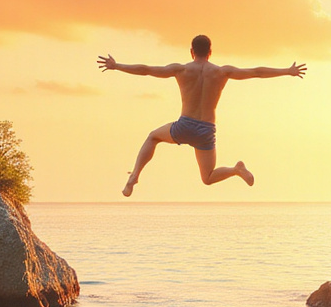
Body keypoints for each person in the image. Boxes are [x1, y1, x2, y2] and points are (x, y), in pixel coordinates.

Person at [98, 35, 305, 197]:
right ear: (210, 52)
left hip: (184, 126)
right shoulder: (222, 72)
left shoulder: (181, 69)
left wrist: (117, 66)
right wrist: (287, 71)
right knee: (207, 178)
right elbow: (256, 72)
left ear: (191, 52)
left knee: (153, 137)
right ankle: (236, 170)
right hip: (206, 130)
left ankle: (135, 175)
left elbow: (147, 70)